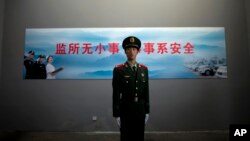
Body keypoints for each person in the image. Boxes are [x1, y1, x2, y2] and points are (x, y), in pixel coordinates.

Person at [112, 36, 150, 141]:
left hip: (140, 109)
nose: (131, 52)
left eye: (134, 49)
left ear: (138, 51)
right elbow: (116, 93)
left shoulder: (144, 70)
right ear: (125, 51)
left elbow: (146, 91)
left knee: (139, 136)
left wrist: (147, 111)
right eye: (129, 49)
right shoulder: (119, 70)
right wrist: (117, 113)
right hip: (126, 109)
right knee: (126, 137)